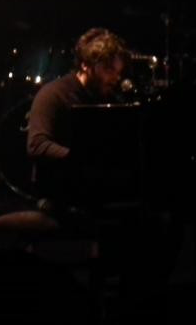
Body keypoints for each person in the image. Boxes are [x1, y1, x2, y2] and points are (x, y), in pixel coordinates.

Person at [26, 28, 130, 214]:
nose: (116, 78)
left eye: (118, 71)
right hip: (56, 190)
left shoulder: (109, 98)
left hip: (93, 186)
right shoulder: (53, 94)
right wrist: (82, 158)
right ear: (86, 64)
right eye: (109, 69)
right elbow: (37, 145)